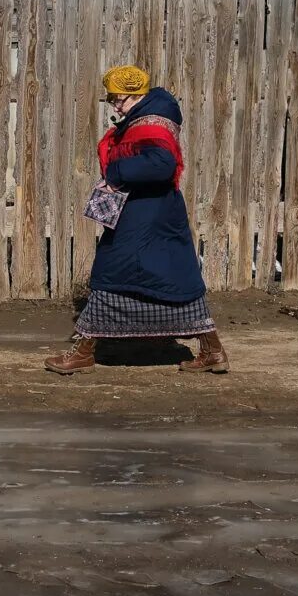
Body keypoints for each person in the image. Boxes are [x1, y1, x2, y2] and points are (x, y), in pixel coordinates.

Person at [44, 65, 229, 375]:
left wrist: (116, 173)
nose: (116, 106)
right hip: (150, 214)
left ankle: (85, 352)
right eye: (112, 100)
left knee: (111, 273)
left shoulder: (150, 123)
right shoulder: (146, 116)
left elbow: (161, 165)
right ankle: (213, 351)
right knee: (171, 279)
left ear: (136, 95)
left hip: (148, 216)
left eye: (120, 100)